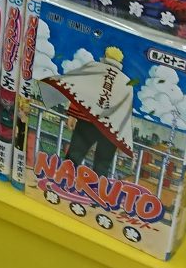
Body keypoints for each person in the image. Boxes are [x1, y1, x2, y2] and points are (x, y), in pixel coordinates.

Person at [35, 46, 136, 177]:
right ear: (120, 62)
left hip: (87, 121)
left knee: (74, 157)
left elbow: (79, 91)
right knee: (102, 166)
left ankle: (63, 182)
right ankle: (96, 189)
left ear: (105, 56)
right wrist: (120, 139)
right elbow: (124, 114)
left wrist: (72, 114)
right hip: (109, 129)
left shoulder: (94, 68)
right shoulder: (127, 83)